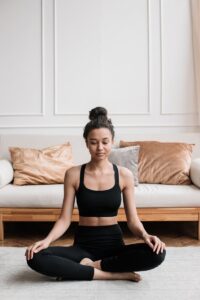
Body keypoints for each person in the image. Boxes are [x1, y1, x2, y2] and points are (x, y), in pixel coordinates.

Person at [25, 107, 166, 282]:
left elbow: (133, 220)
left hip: (114, 245)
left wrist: (146, 236)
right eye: (93, 142)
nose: (100, 147)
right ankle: (112, 274)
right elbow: (64, 219)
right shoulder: (73, 174)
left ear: (112, 141)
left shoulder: (124, 175)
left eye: (105, 142)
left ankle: (88, 268)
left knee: (157, 253)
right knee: (34, 256)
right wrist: (47, 241)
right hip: (83, 247)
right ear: (86, 143)